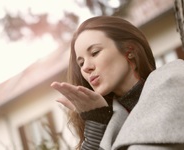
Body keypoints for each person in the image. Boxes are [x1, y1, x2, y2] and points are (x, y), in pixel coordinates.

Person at [51, 16, 184, 150]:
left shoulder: (174, 78)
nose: (85, 67)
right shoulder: (108, 122)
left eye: (95, 52)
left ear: (129, 50)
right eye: (81, 63)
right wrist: (96, 121)